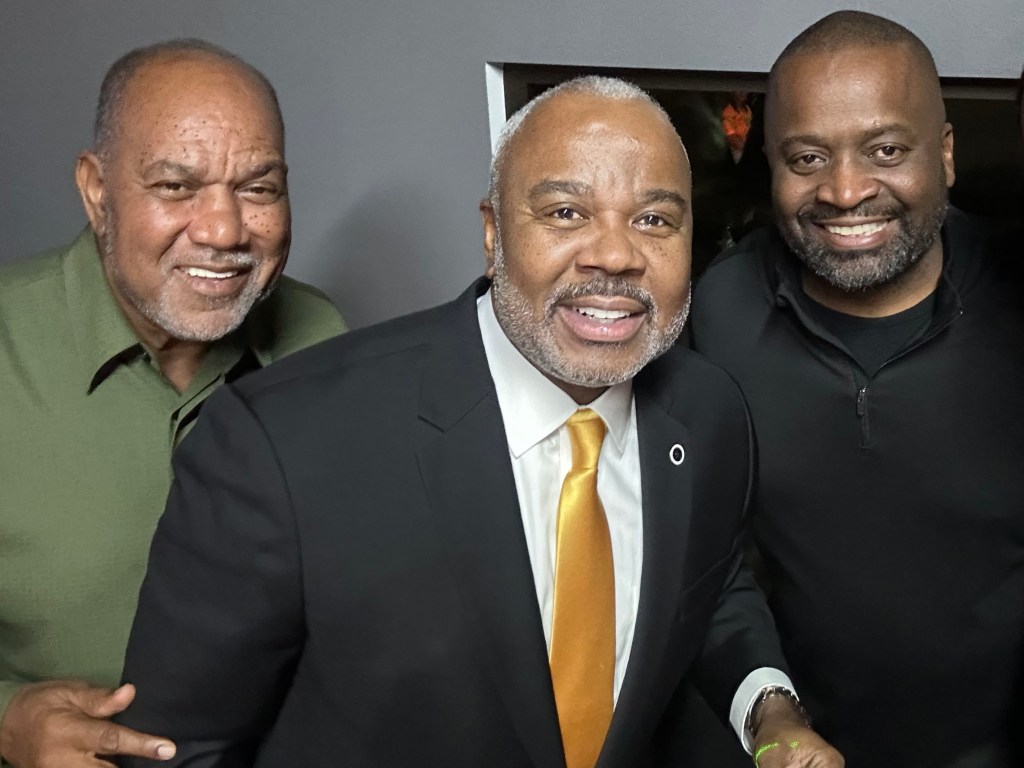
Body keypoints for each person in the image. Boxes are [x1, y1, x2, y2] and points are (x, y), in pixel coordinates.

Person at [114, 77, 842, 767]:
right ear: (494, 233)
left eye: (654, 219)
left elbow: (709, 587)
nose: (615, 254)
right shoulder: (280, 444)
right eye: (565, 212)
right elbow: (177, 750)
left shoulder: (708, 413)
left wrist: (769, 710)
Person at [691, 10, 1024, 767]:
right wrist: (769, 713)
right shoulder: (721, 311)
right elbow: (708, 559)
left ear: (943, 154)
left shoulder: (1016, 295)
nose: (844, 192)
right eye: (807, 157)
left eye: (884, 150)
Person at [0, 40, 346, 768]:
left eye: (259, 188)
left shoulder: (326, 341)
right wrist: (4, 721)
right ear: (97, 192)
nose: (223, 232)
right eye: (177, 187)